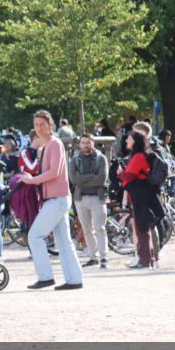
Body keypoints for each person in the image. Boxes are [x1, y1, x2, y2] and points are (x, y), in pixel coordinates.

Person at [20, 110, 84, 290]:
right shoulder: (49, 145)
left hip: (57, 199)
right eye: (36, 125)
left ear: (50, 126)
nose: (39, 128)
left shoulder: (54, 144)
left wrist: (31, 180)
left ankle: (46, 277)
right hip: (56, 199)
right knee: (64, 242)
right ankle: (74, 279)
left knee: (35, 235)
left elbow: (54, 172)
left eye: (42, 124)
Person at [120, 131, 165, 269]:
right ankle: (146, 258)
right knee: (142, 227)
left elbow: (129, 177)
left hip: (141, 195)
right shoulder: (137, 155)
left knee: (142, 228)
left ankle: (145, 260)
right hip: (141, 194)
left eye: (129, 138)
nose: (126, 140)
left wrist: (120, 174)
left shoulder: (138, 156)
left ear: (134, 141)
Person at [69, 133, 109, 268]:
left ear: (93, 143)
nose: (85, 145)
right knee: (87, 229)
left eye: (88, 142)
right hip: (80, 199)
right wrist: (92, 177)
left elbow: (101, 179)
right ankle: (93, 257)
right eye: (83, 142)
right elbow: (74, 179)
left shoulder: (101, 158)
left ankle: (104, 257)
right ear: (80, 144)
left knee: (100, 229)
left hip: (97, 198)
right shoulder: (75, 160)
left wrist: (83, 179)